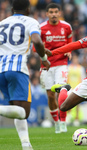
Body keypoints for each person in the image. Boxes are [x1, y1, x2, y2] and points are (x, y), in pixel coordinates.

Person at [0, 0, 50, 150]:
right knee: (23, 113)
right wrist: (44, 59)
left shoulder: (2, 23)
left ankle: (26, 144)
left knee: (16, 110)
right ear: (28, 9)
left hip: (1, 70)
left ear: (12, 8)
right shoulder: (31, 21)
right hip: (17, 69)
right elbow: (36, 40)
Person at [34, 3, 72, 133]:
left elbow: (70, 42)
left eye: (56, 12)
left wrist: (69, 51)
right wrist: (43, 52)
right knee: (50, 96)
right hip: (46, 65)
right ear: (47, 14)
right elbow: (35, 47)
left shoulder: (67, 27)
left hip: (61, 63)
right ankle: (56, 122)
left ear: (59, 13)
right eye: (51, 12)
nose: (54, 14)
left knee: (61, 91)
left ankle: (63, 122)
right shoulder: (41, 28)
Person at [66, 53, 86, 126]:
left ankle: (76, 119)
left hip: (78, 87)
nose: (75, 60)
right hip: (70, 87)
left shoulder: (81, 68)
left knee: (77, 104)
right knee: (69, 102)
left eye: (76, 59)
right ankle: (69, 116)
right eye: (74, 59)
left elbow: (83, 78)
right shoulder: (68, 67)